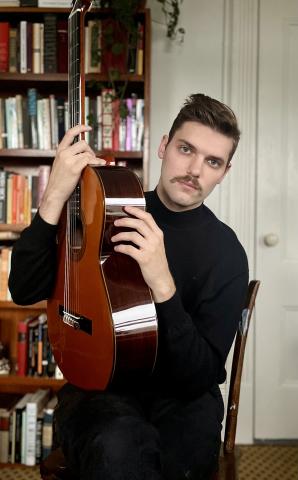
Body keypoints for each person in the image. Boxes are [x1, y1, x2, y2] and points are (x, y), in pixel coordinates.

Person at [9, 93, 249, 480]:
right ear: (163, 146)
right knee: (119, 447)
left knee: (178, 463)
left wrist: (162, 284)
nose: (194, 169)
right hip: (99, 386)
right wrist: (55, 192)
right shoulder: (110, 205)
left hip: (184, 398)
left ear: (225, 171)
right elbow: (22, 289)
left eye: (213, 161)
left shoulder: (228, 253)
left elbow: (200, 375)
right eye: (186, 148)